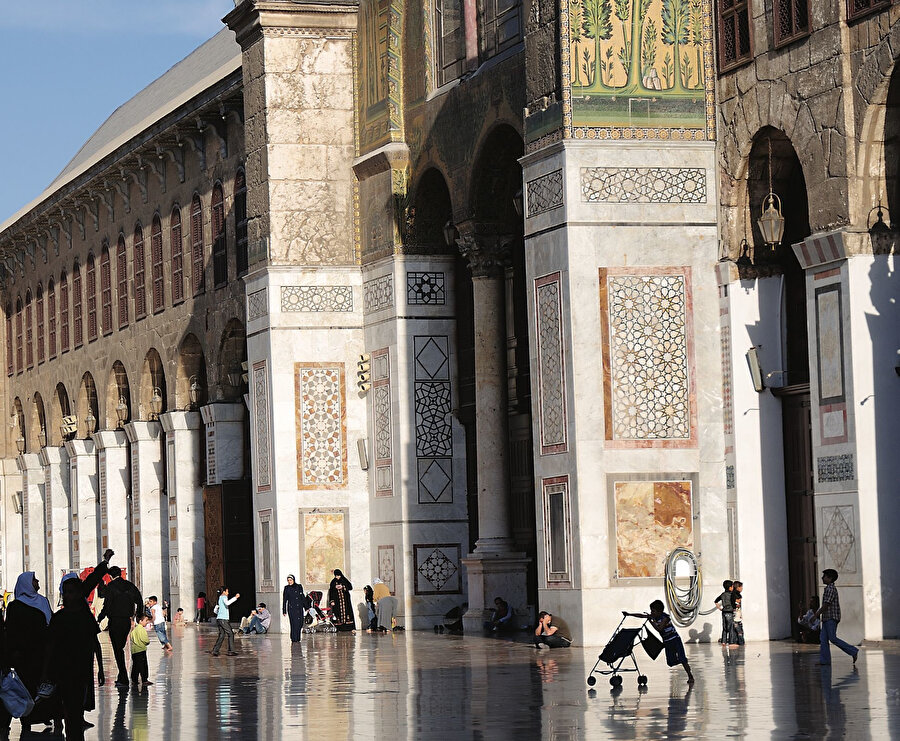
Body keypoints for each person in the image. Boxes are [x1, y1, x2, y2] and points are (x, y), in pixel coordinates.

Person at [44, 579, 103, 741]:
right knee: (70, 707)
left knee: (75, 708)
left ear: (78, 594)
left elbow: (94, 642)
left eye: (71, 592)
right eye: (66, 593)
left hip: (80, 668)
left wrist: (101, 669)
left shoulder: (85, 617)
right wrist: (46, 670)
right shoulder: (60, 618)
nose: (68, 596)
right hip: (62, 668)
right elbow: (50, 645)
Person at [0, 572, 57, 736]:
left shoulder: (42, 601)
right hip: (22, 656)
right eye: (34, 580)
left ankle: (33, 719)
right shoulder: (16, 606)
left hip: (40, 653)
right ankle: (14, 722)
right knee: (20, 689)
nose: (37, 581)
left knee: (36, 689)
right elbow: (11, 633)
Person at [625, 601, 694, 684]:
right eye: (651, 611)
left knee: (682, 659)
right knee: (670, 663)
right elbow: (641, 615)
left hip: (675, 640)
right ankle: (682, 660)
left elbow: (659, 629)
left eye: (653, 611)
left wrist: (650, 621)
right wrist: (629, 614)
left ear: (659, 611)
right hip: (667, 642)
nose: (651, 613)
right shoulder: (654, 616)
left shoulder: (665, 618)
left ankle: (690, 675)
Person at [98, 565, 143, 687]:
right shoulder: (129, 585)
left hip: (115, 621)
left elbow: (106, 605)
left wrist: (100, 617)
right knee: (121, 647)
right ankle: (122, 675)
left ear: (110, 576)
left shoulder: (111, 587)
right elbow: (139, 599)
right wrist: (139, 614)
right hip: (126, 621)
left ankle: (123, 676)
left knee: (117, 649)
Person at [813, 569, 859, 666]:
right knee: (823, 639)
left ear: (830, 578)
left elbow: (826, 605)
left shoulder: (830, 589)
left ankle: (853, 651)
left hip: (831, 618)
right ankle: (824, 661)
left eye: (824, 576)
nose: (822, 578)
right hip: (826, 618)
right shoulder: (828, 589)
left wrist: (816, 615)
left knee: (832, 638)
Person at [211, 586, 240, 656]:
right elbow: (227, 603)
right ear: (224, 592)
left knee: (222, 635)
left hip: (219, 619)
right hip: (223, 619)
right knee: (230, 633)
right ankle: (231, 651)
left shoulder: (219, 598)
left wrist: (220, 614)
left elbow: (215, 611)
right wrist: (235, 597)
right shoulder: (223, 597)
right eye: (227, 591)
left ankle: (215, 650)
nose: (228, 593)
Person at [130, 614, 153, 687]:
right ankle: (144, 680)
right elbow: (144, 639)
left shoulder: (135, 629)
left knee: (135, 666)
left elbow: (131, 637)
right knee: (143, 666)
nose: (147, 622)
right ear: (140, 621)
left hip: (134, 651)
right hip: (141, 650)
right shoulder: (142, 629)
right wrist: (148, 642)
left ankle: (134, 680)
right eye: (146, 620)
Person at [282, 575, 305, 643]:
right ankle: (294, 638)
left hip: (299, 607)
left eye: (290, 580)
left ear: (293, 580)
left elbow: (302, 597)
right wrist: (284, 610)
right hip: (292, 608)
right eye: (288, 580)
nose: (289, 582)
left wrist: (306, 607)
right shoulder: (287, 588)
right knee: (294, 623)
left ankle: (298, 637)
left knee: (300, 623)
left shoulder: (299, 586)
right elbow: (285, 600)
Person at [715, 580, 737, 647]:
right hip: (730, 612)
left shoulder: (722, 594)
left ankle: (723, 642)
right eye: (732, 586)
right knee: (731, 628)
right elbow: (733, 604)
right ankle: (731, 642)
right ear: (730, 587)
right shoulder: (731, 595)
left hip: (724, 612)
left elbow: (716, 601)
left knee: (724, 628)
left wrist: (720, 608)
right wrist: (735, 608)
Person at [732, 581, 744, 645]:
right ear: (737, 587)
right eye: (741, 587)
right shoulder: (734, 595)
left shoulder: (737, 595)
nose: (742, 588)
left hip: (737, 616)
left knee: (738, 631)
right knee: (739, 631)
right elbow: (735, 605)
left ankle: (737, 642)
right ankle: (741, 642)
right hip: (735, 616)